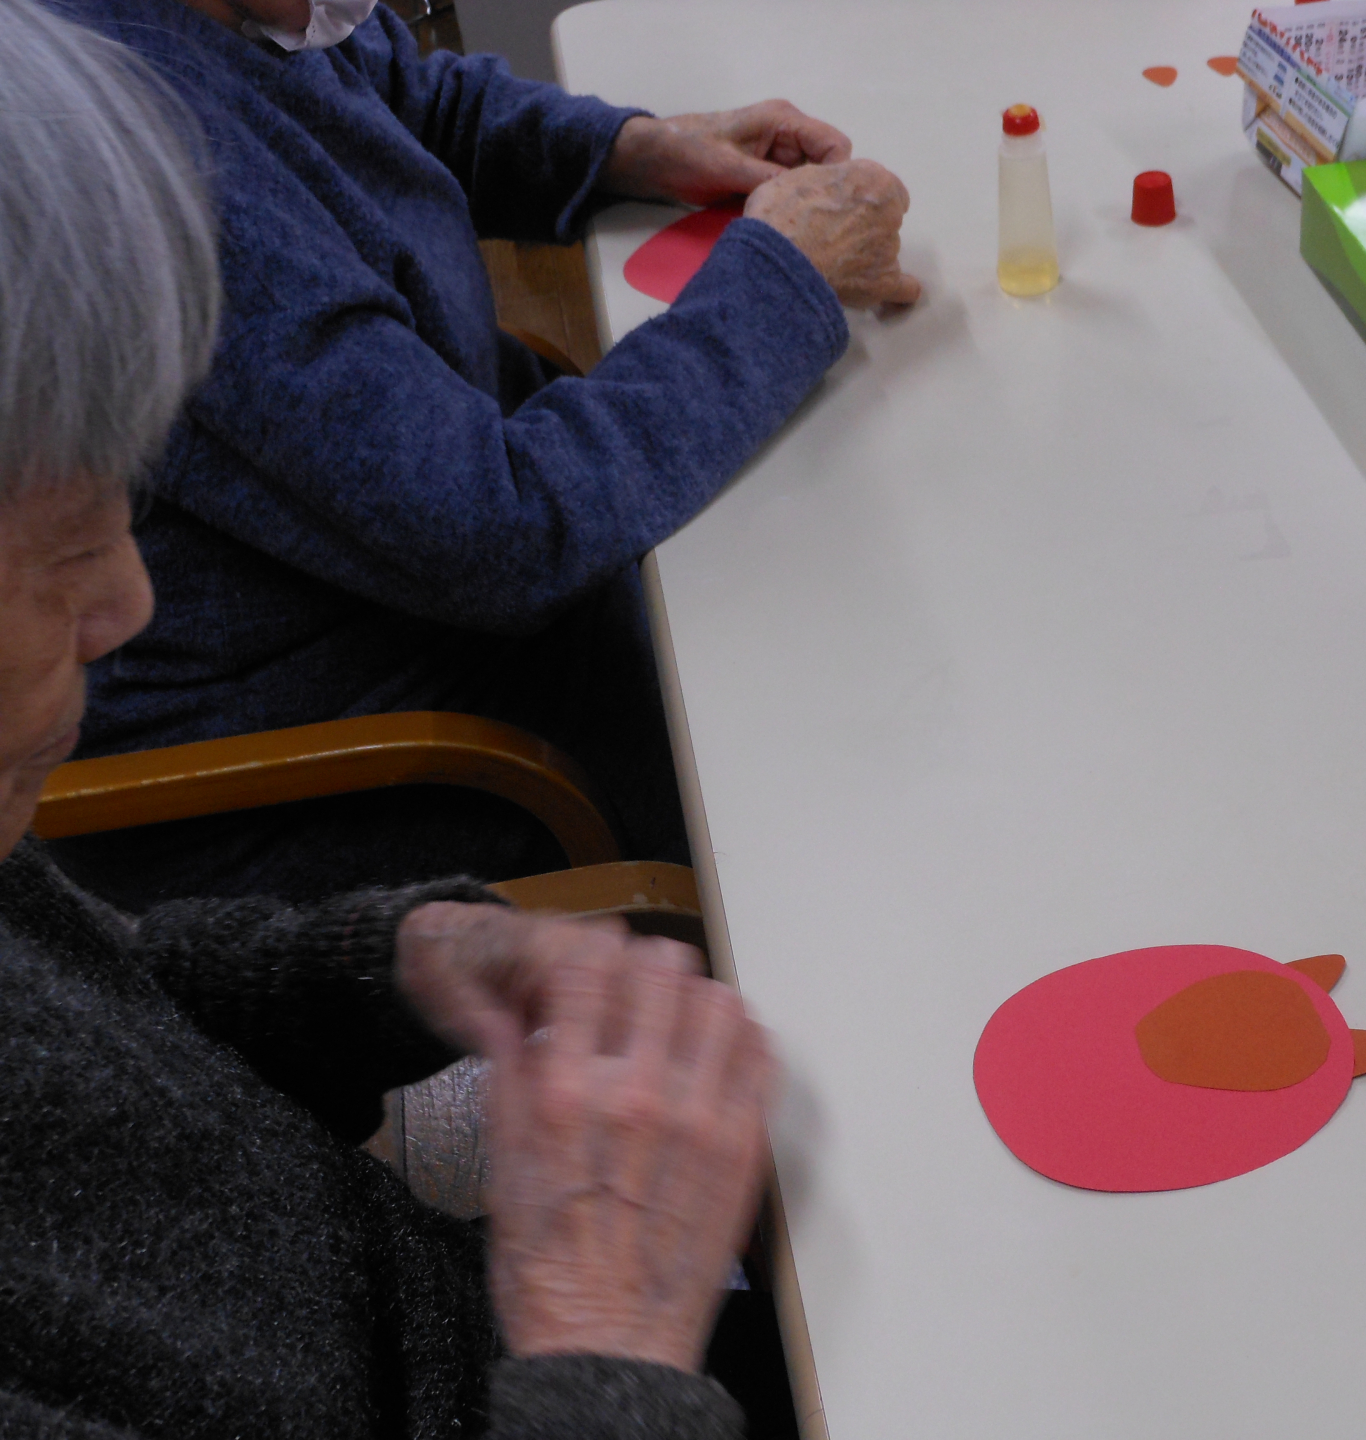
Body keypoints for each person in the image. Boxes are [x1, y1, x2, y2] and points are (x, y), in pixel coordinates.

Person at [0, 4, 781, 1435]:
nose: (127, 601)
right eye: (59, 558)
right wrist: (606, 1345)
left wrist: (382, 965)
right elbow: (497, 527)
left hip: (463, 1327)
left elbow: (88, 1015)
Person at [46, 0, 922, 912]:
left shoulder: (247, 13)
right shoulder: (134, 175)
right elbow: (504, 534)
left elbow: (397, 99)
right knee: (852, 776)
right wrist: (781, 283)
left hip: (447, 577)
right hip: (360, 755)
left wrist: (630, 149)